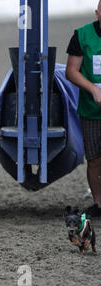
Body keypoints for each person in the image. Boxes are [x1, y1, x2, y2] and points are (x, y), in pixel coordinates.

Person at [66, 0, 101, 217]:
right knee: (95, 158)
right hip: (91, 109)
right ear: (97, 13)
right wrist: (93, 90)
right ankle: (99, 203)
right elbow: (71, 71)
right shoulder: (82, 35)